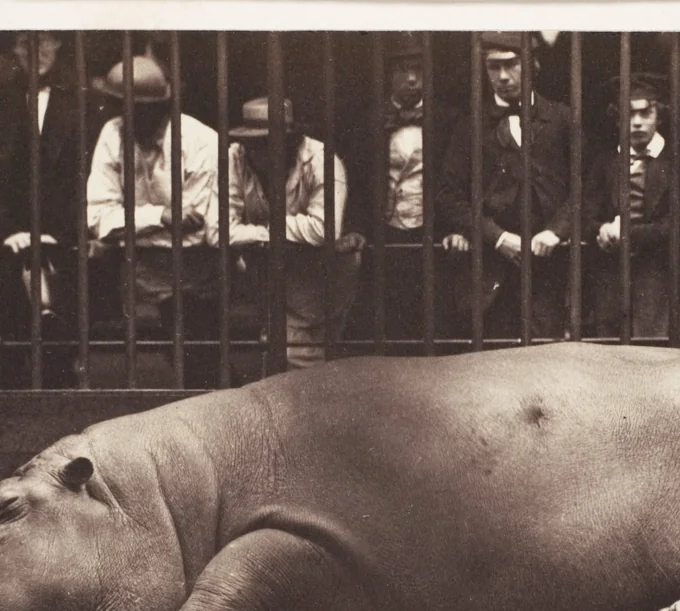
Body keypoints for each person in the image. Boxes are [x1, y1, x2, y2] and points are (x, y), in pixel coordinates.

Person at [437, 31, 581, 343]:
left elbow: (584, 188)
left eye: (511, 65)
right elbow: (449, 195)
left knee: (546, 359)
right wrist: (496, 237)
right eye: (493, 67)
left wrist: (556, 230)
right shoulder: (470, 124)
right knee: (495, 361)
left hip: (549, 266)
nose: (502, 76)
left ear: (532, 65)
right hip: (491, 269)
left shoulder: (562, 119)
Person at [86, 54, 220, 384]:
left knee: (203, 370)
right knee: (150, 374)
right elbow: (97, 217)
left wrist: (126, 229)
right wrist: (160, 216)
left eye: (140, 111)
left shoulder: (201, 141)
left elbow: (197, 230)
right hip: (140, 279)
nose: (126, 120)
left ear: (162, 107)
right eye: (120, 109)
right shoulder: (111, 133)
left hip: (198, 278)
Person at [0, 31, 109, 387]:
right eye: (26, 41)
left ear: (59, 45)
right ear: (14, 48)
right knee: (14, 349)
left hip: (64, 235)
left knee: (62, 349)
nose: (36, 50)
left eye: (46, 40)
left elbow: (90, 173)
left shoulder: (85, 100)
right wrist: (8, 230)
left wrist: (60, 230)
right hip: (13, 238)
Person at [341, 32, 460, 351]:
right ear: (388, 74)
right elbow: (355, 178)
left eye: (418, 70)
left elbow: (459, 181)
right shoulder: (368, 120)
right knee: (383, 317)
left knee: (434, 315)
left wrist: (454, 229)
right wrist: (356, 228)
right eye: (402, 70)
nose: (411, 79)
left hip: (430, 230)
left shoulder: (446, 118)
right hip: (384, 232)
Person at [227, 96, 362, 369]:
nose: (262, 152)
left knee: (304, 360)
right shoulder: (236, 156)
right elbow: (220, 230)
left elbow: (324, 229)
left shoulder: (322, 160)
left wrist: (259, 231)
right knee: (278, 353)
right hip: (270, 277)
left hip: (320, 278)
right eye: (255, 143)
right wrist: (274, 233)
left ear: (290, 140)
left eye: (269, 143)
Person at [583, 72, 680, 341]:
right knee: (610, 352)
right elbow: (585, 214)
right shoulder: (605, 162)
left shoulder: (679, 162)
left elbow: (679, 225)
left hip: (657, 273)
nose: (637, 122)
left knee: (651, 350)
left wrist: (628, 234)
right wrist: (602, 228)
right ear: (618, 119)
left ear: (659, 115)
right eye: (629, 115)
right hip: (610, 274)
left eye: (645, 113)